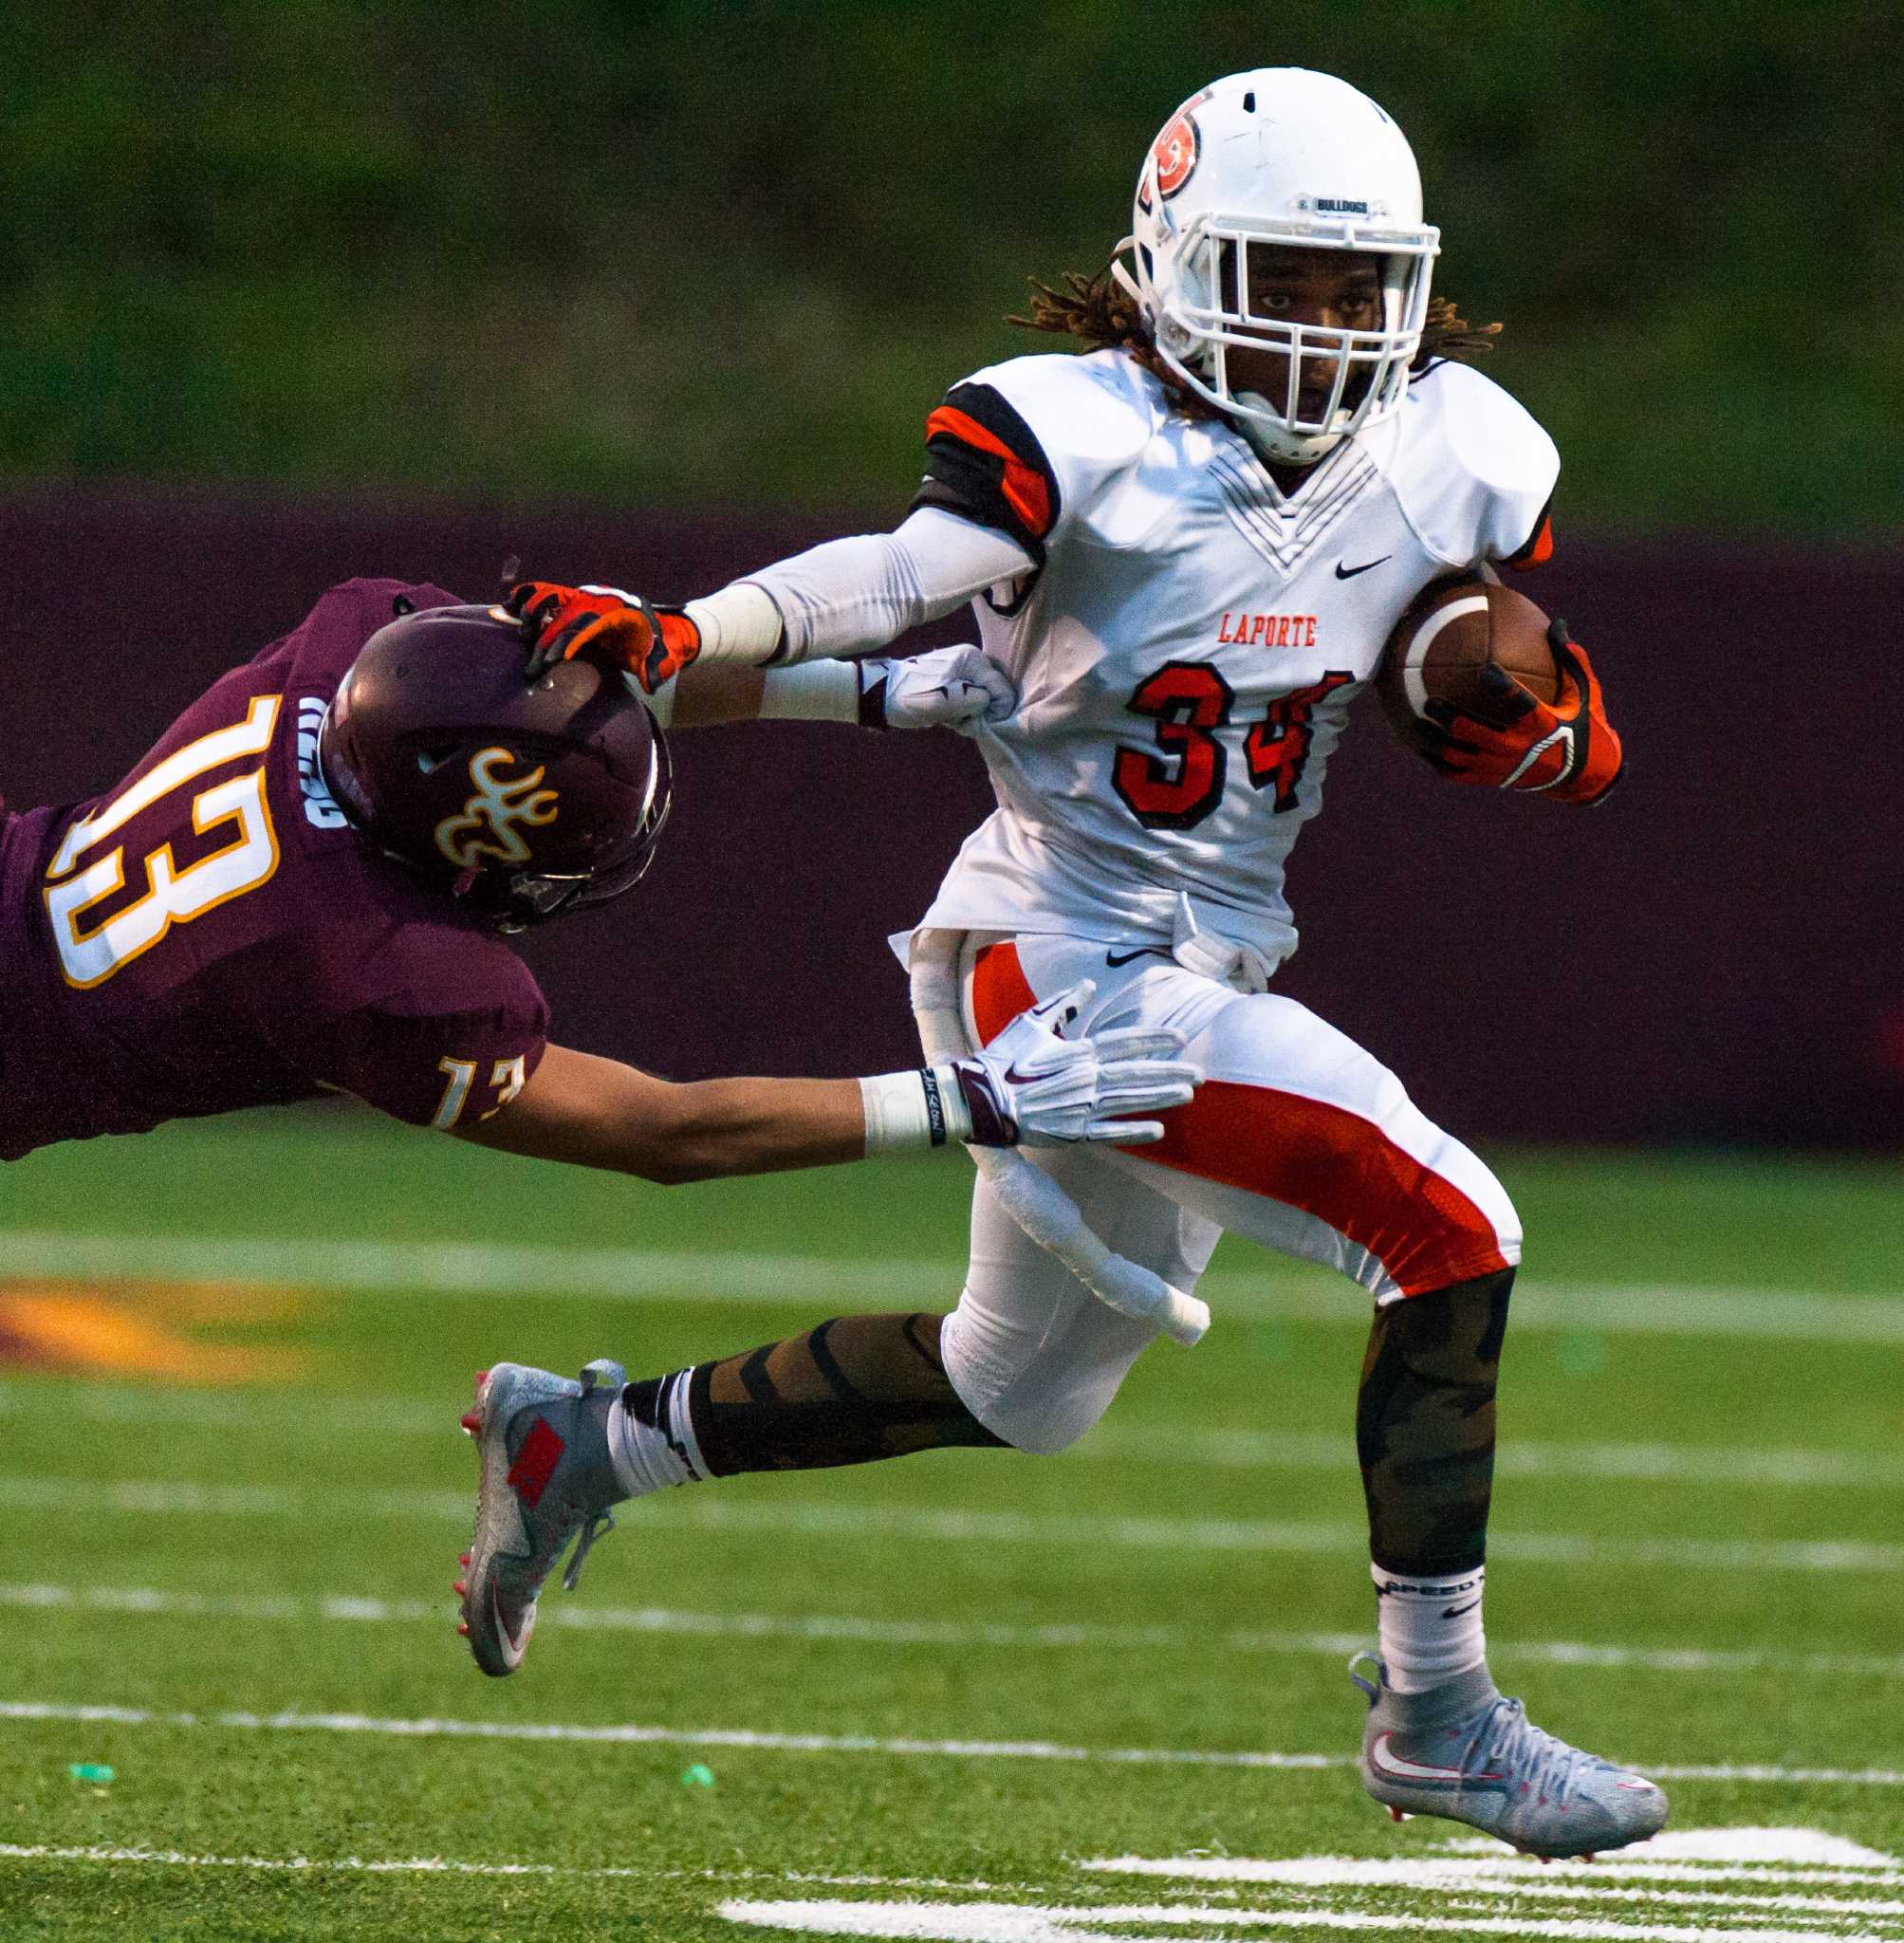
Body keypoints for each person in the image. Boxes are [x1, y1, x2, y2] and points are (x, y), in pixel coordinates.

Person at [467, 67, 1659, 1861]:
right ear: (1171, 263)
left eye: (1356, 291)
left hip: (1213, 959)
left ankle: (591, 1444)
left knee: (1012, 1385)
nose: (1325, 329)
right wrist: (687, 632)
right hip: (1061, 958)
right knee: (1453, 1224)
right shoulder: (1072, 431)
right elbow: (898, 576)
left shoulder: (1458, 450)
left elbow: (1540, 698)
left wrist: (1549, 732)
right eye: (1281, 276)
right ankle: (1438, 1716)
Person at [0, 578, 1196, 1257]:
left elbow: (549, 683)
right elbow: (663, 1132)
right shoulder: (373, 962)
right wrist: (960, 1100)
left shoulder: (342, 656)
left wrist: (864, 692)